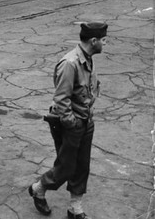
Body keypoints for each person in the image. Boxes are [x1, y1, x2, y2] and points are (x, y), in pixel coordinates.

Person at [29, 22, 108, 219]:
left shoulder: (87, 58)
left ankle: (75, 208)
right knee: (66, 167)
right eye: (104, 40)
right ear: (93, 41)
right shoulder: (70, 63)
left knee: (82, 166)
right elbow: (61, 99)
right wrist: (72, 123)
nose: (105, 44)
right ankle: (38, 188)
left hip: (86, 120)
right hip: (71, 123)